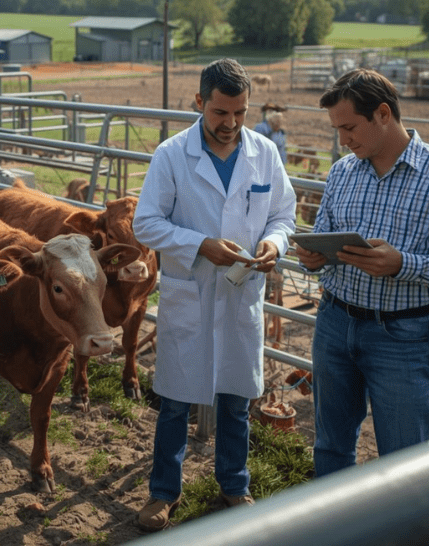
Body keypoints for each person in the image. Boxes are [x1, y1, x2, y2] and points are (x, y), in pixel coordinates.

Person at [294, 70, 429, 531]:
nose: (342, 141)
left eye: (349, 128)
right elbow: (324, 239)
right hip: (334, 322)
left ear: (384, 114)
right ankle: (336, 533)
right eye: (337, 130)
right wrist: (313, 258)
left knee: (406, 458)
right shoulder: (343, 172)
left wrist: (404, 264)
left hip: (403, 335)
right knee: (330, 444)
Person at [133, 58, 297, 532]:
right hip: (192, 293)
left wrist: (275, 243)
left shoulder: (264, 152)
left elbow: (283, 215)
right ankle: (163, 493)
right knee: (175, 401)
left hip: (240, 294)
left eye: (240, 113)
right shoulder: (171, 155)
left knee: (235, 399)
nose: (230, 124)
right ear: (200, 102)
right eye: (220, 112)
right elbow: (146, 222)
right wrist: (199, 245)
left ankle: (234, 486)